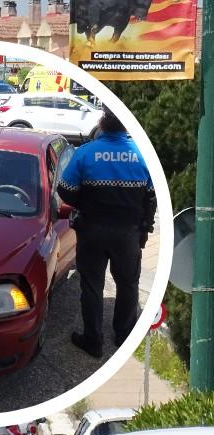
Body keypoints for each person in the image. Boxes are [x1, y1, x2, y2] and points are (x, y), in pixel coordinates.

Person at [57, 108, 156, 358]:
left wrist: (84, 201)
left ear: (102, 125)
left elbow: (65, 190)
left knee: (91, 285)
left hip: (92, 231)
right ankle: (123, 334)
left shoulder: (85, 153)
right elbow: (151, 198)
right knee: (128, 283)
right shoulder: (141, 155)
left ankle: (93, 340)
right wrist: (145, 228)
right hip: (128, 233)